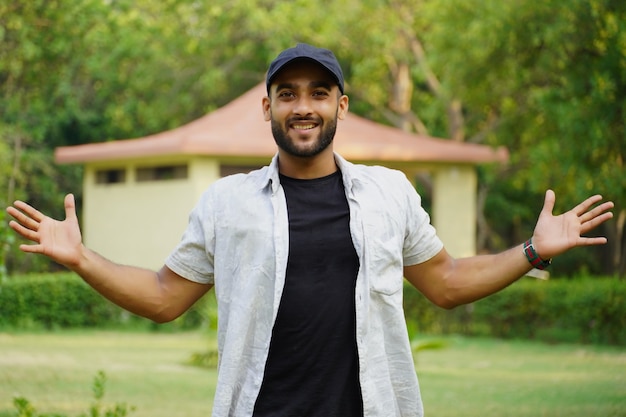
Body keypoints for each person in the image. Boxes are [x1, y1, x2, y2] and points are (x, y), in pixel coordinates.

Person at [6, 43, 614, 417]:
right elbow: (166, 297)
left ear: (341, 106)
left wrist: (533, 250)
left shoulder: (389, 192)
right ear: (266, 106)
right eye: (288, 93)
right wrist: (84, 259)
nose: (304, 106)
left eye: (319, 93)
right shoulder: (227, 202)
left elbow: (447, 282)